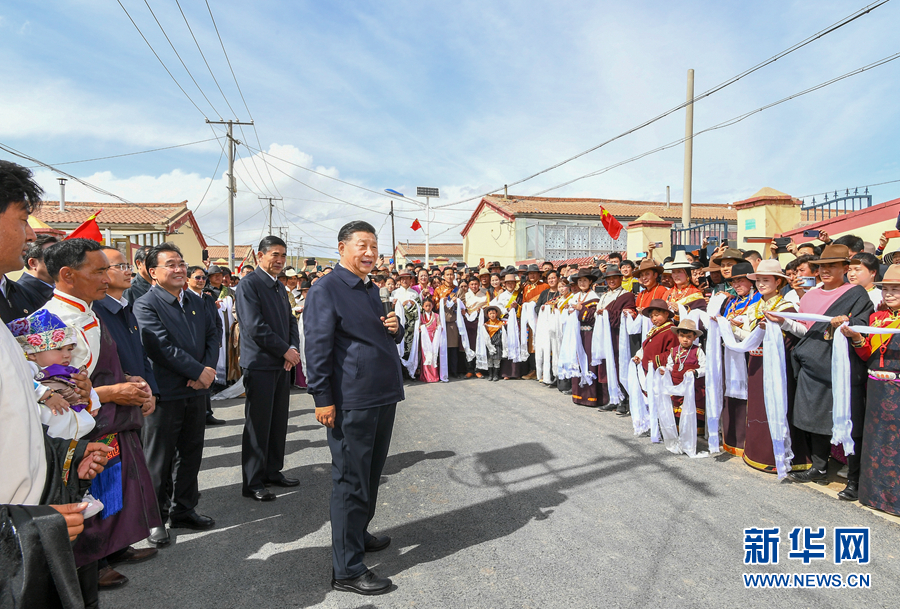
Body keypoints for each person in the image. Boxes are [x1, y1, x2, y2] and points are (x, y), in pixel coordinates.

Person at [304, 221, 404, 596]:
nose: (369, 253)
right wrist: (322, 398)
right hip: (351, 400)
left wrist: (395, 329)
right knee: (349, 481)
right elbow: (317, 347)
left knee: (370, 474)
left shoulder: (369, 288)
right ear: (342, 247)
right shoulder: (326, 289)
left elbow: (373, 335)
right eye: (362, 245)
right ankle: (346, 569)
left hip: (381, 395)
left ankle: (357, 535)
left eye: (374, 247)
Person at [134, 242, 219, 539]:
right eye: (170, 264)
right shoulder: (145, 304)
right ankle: (155, 517)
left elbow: (213, 336)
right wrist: (197, 371)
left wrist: (205, 373)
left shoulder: (197, 301)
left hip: (196, 391)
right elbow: (159, 346)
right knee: (159, 459)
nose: (179, 269)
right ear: (152, 271)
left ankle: (184, 510)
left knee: (191, 454)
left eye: (181, 263)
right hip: (166, 392)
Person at [775, 245, 873, 497]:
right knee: (813, 419)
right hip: (811, 367)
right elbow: (805, 332)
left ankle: (854, 479)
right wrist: (783, 322)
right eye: (821, 266)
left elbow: (861, 328)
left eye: (832, 266)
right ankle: (819, 468)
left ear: (845, 268)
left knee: (850, 424)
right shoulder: (809, 296)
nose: (825, 270)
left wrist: (847, 324)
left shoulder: (856, 294)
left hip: (841, 371)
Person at [234, 236, 301, 502]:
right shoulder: (249, 285)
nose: (279, 260)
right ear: (259, 256)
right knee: (258, 424)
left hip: (282, 363)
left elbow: (291, 321)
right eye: (275, 255)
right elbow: (254, 326)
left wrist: (292, 350)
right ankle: (252, 481)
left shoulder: (279, 287)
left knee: (278, 422)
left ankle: (273, 470)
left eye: (283, 256)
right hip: (260, 364)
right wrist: (284, 350)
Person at [740, 260, 811, 474]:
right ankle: (757, 453)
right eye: (758, 281)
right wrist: (729, 330)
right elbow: (748, 336)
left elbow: (803, 331)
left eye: (766, 280)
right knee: (758, 406)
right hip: (756, 362)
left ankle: (782, 455)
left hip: (779, 365)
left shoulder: (786, 307)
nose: (761, 284)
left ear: (778, 282)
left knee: (780, 404)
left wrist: (782, 322)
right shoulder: (753, 308)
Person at [843, 264, 900, 511]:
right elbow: (867, 354)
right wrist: (856, 338)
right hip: (876, 389)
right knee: (875, 441)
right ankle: (874, 495)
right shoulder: (878, 318)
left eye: (895, 289)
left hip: (897, 391)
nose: (888, 294)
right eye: (886, 289)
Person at [594, 265, 637, 413]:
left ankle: (623, 401)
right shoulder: (605, 296)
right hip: (605, 335)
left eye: (614, 278)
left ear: (620, 279)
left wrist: (608, 313)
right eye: (609, 279)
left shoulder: (627, 295)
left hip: (618, 335)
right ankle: (611, 398)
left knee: (619, 365)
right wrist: (600, 314)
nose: (611, 281)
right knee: (606, 366)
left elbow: (625, 314)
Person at [660, 319, 706, 430]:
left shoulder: (698, 351)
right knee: (678, 415)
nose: (685, 339)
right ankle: (679, 435)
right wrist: (666, 370)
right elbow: (671, 365)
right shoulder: (674, 351)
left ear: (695, 337)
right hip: (678, 388)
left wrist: (695, 372)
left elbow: (706, 367)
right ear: (677, 336)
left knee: (693, 414)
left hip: (693, 388)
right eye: (682, 336)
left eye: (689, 337)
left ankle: (693, 437)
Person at [568, 268, 601, 405]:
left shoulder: (594, 298)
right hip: (577, 333)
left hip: (589, 333)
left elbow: (594, 317)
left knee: (588, 362)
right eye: (580, 280)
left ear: (590, 282)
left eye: (585, 280)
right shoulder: (575, 296)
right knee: (577, 360)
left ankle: (590, 397)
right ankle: (578, 395)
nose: (582, 283)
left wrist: (582, 310)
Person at [633, 299, 678, 373]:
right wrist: (640, 356)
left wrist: (656, 361)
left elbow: (672, 352)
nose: (654, 319)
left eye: (657, 315)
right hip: (649, 368)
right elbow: (646, 345)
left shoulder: (671, 331)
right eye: (651, 316)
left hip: (659, 369)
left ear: (666, 314)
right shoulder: (654, 329)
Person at [16, 234, 58, 312]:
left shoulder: (57, 289)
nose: (64, 262)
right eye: (55, 257)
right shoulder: (19, 293)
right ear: (33, 263)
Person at [664, 251, 706, 321]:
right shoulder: (667, 293)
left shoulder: (695, 293)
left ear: (687, 274)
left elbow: (701, 317)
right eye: (673, 272)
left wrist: (680, 310)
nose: (676, 275)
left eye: (679, 271)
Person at [418, 296, 443, 383]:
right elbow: (419, 326)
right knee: (426, 356)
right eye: (426, 306)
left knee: (434, 355)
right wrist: (422, 328)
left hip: (434, 338)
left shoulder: (436, 316)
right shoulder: (421, 316)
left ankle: (434, 376)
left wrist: (438, 327)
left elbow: (439, 325)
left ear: (432, 306)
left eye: (429, 305)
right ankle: (426, 376)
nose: (428, 307)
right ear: (423, 307)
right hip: (425, 339)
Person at [482, 304, 504, 381]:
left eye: (494, 313)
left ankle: (496, 375)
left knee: (497, 360)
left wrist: (503, 328)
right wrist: (484, 327)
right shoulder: (486, 324)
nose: (492, 315)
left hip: (497, 343)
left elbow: (503, 334)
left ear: (496, 314)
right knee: (489, 360)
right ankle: (490, 375)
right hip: (489, 344)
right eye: (490, 314)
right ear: (488, 315)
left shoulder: (500, 323)